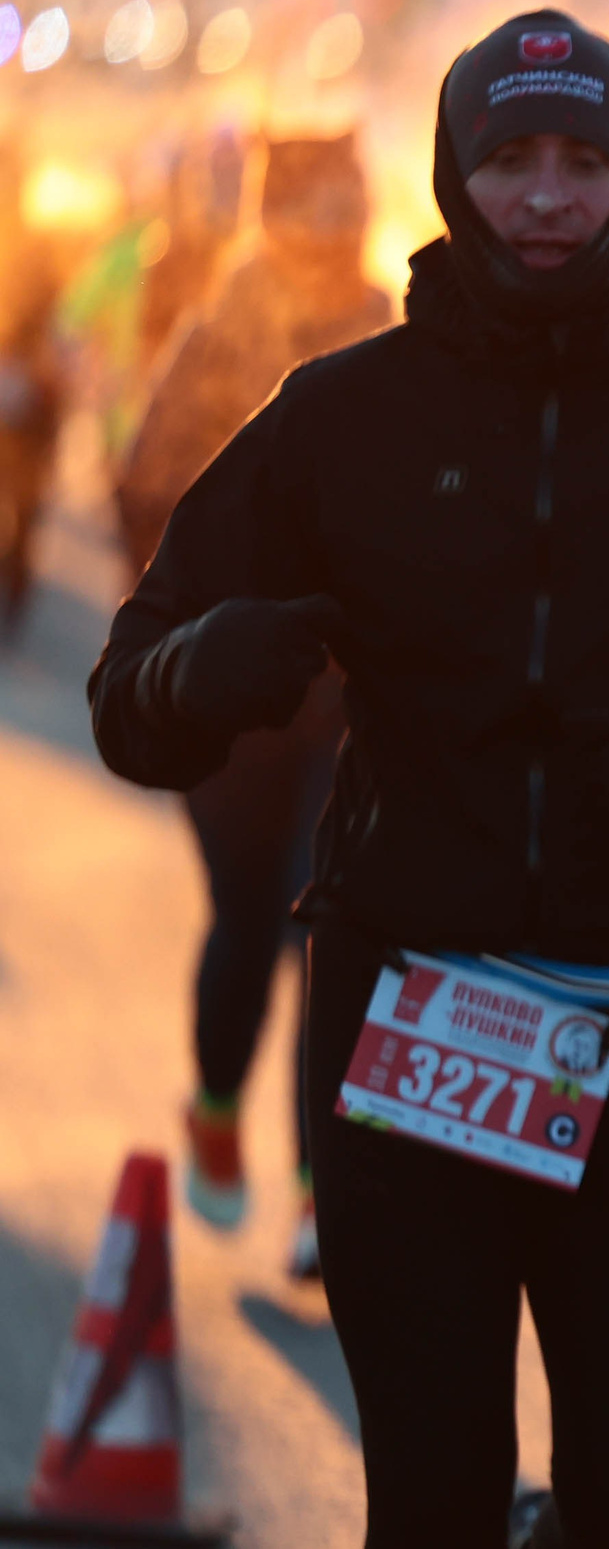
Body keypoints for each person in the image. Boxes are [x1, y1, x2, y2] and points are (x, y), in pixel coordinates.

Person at [87, 9, 609, 1548]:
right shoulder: (343, 414)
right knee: (433, 1499)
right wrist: (203, 665)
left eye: (583, 160)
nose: (547, 195)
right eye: (511, 159)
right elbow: (129, 698)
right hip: (411, 1021)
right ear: (452, 173)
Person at [115, 132, 391, 1279]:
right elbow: (143, 486)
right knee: (245, 920)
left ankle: (325, 1190)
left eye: (344, 201)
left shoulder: (394, 328)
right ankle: (217, 1103)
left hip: (356, 700)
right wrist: (198, 632)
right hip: (236, 695)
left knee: (335, 927)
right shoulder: (221, 326)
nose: (327, 225)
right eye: (307, 202)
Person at [0, 138, 66, 640]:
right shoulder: (41, 247)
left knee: (23, 502)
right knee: (22, 502)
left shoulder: (38, 250)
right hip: (29, 392)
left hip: (30, 396)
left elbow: (55, 324)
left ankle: (15, 587)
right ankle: (15, 590)